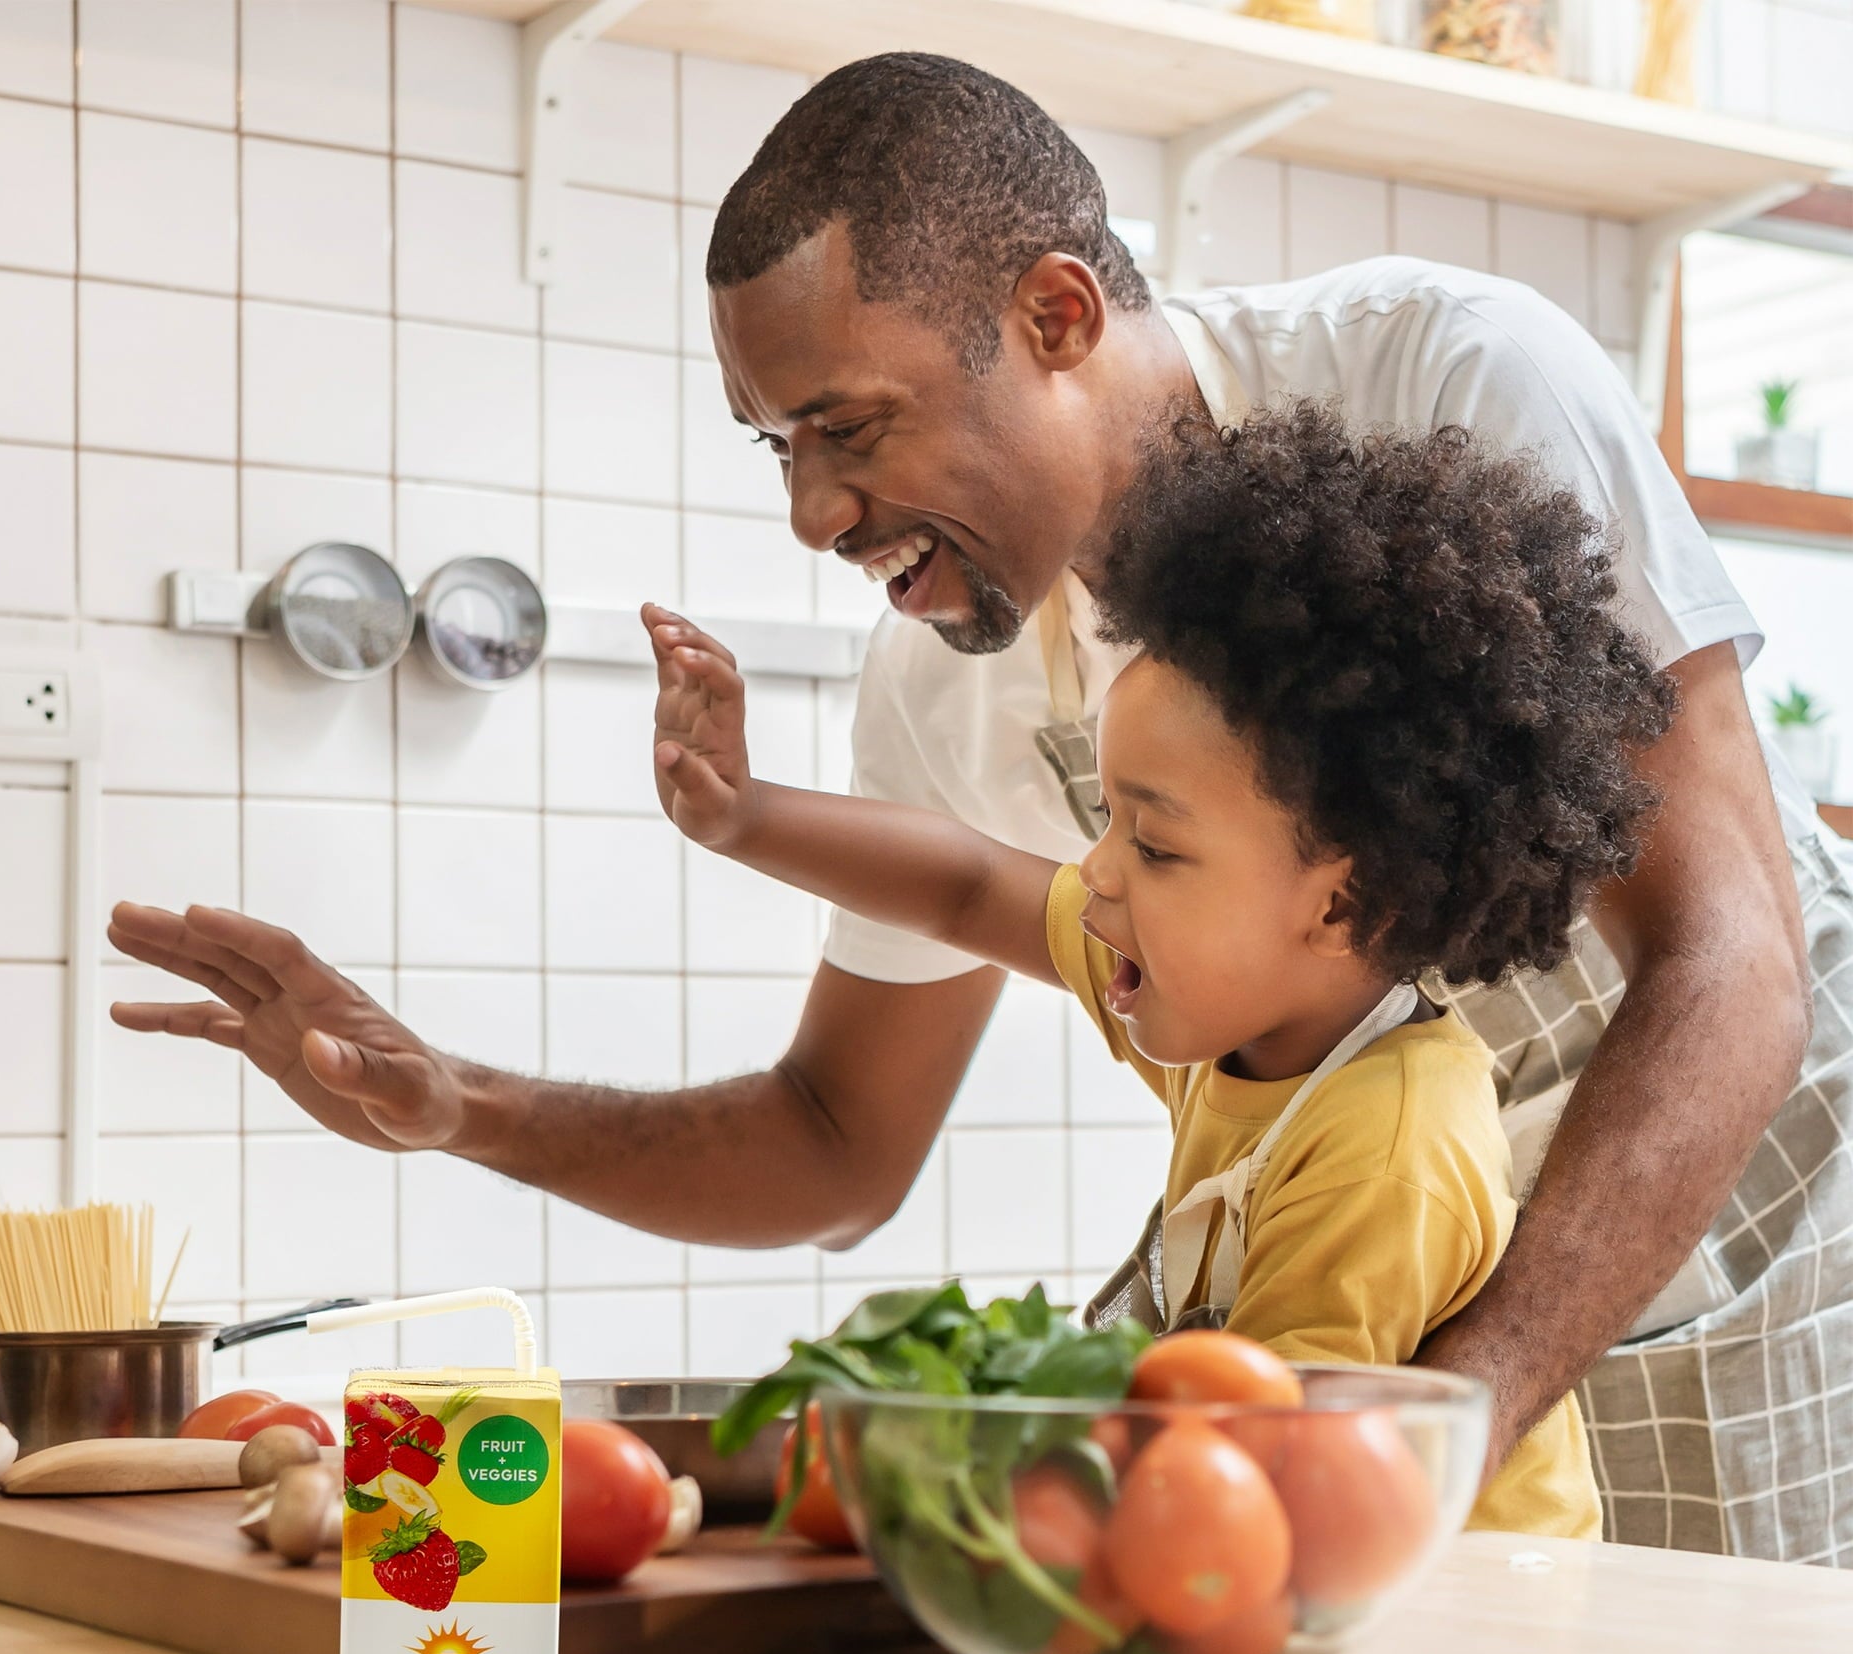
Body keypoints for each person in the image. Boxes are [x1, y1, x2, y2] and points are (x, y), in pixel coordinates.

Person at [110, 54, 1826, 1540]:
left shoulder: (1450, 379)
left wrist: (1468, 1406)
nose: (810, 514)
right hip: (1389, 1363)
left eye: (850, 428)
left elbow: (1728, 961)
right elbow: (836, 1142)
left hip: (1740, 1244)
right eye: (777, 446)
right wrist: (450, 1100)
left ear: (1058, 318)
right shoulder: (942, 670)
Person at [649, 402, 1675, 1537]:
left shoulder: (1385, 1150)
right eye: (1107, 817)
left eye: (1153, 842)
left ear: (1338, 904)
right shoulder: (1244, 1005)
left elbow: (1266, 1489)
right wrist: (744, 816)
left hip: (1472, 1633)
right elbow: (963, 887)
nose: (1093, 870)